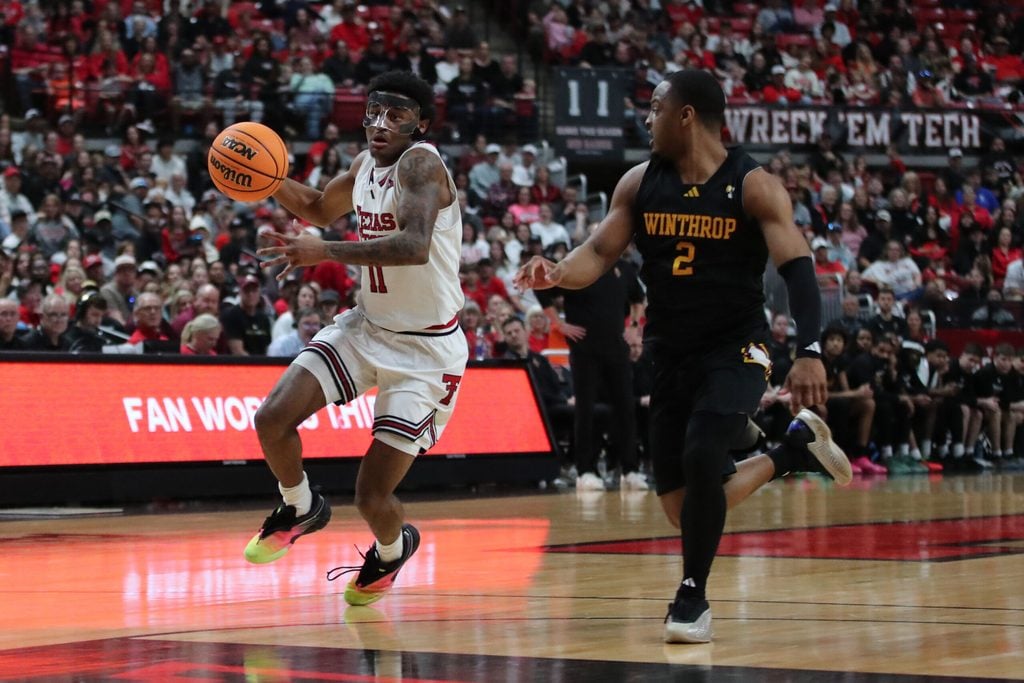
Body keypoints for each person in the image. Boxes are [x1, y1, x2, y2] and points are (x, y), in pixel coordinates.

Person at [514, 70, 851, 645]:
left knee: (701, 457)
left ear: (687, 115)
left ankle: (691, 596)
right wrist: (558, 271)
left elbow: (798, 268)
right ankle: (789, 452)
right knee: (681, 508)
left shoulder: (753, 185)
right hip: (670, 350)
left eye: (655, 108)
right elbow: (598, 250)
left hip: (735, 345)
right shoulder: (639, 183)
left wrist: (810, 350)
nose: (647, 119)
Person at [247, 71, 467, 608]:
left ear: (422, 124)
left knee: (372, 496)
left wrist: (324, 252)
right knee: (271, 419)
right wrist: (263, 173)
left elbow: (413, 245)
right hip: (367, 328)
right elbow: (320, 208)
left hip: (425, 352)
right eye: (372, 112)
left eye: (395, 114)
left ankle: (392, 552)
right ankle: (300, 506)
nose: (379, 123)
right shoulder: (365, 164)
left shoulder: (421, 164)